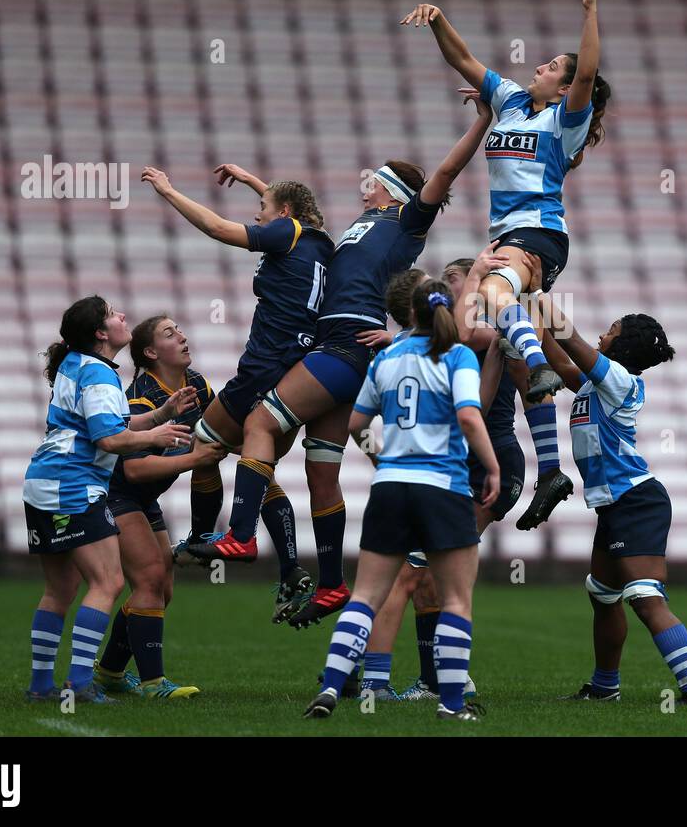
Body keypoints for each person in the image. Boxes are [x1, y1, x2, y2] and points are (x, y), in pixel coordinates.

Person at [190, 89, 494, 634]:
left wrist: (484, 122)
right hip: (347, 354)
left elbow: (445, 173)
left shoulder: (404, 220)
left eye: (375, 178)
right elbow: (301, 227)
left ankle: (239, 533)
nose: (367, 183)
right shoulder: (360, 227)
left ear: (393, 191)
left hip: (340, 348)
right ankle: (331, 583)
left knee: (258, 421)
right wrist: (259, 184)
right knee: (320, 472)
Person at [401, 0, 612, 529]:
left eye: (552, 66)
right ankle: (550, 471)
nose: (539, 67)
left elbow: (588, 74)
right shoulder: (512, 100)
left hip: (538, 232)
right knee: (509, 347)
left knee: (493, 296)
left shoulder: (564, 121)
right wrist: (439, 20)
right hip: (511, 234)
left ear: (564, 86)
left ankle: (543, 362)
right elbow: (464, 60)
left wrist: (590, 13)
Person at [141, 167, 331, 619]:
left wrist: (169, 190)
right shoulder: (319, 240)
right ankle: (288, 571)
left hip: (266, 363)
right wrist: (251, 180)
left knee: (207, 439)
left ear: (284, 214)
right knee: (257, 463)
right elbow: (289, 203)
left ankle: (205, 538)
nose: (257, 215)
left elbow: (216, 227)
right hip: (298, 371)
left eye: (262, 209)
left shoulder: (285, 231)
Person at [304, 279, 498, 723]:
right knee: (455, 600)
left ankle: (332, 688)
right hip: (442, 485)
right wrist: (492, 466)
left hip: (390, 485)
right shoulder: (459, 355)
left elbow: (356, 422)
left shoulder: (387, 357)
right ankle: (451, 705)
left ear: (408, 313)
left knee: (366, 596)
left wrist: (383, 458)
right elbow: (469, 416)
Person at [534, 295, 687, 705]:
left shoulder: (618, 379)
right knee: (603, 594)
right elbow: (560, 363)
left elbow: (572, 340)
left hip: (636, 500)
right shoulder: (600, 383)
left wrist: (536, 293)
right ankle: (604, 688)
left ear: (622, 345)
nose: (601, 334)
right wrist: (526, 327)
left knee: (645, 598)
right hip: (615, 504)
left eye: (610, 330)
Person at [23, 296, 195, 703]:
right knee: (109, 581)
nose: (122, 317)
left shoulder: (76, 365)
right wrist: (157, 437)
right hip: (73, 485)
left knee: (60, 590)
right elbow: (109, 439)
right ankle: (82, 683)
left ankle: (41, 685)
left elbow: (110, 423)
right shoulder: (99, 373)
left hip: (43, 482)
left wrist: (158, 415)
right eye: (113, 314)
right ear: (101, 333)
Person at [92, 315, 228, 698]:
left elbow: (222, 429)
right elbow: (134, 470)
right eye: (170, 333)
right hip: (118, 494)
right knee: (150, 578)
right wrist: (194, 460)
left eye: (181, 329)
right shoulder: (141, 395)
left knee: (161, 589)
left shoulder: (198, 384)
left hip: (144, 498)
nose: (182, 335)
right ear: (151, 352)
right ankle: (154, 683)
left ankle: (110, 672)